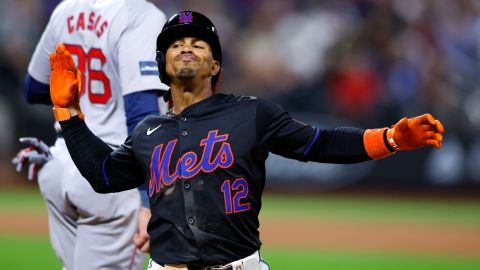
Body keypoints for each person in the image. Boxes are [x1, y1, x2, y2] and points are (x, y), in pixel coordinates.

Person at [48, 11, 444, 270]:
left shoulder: (251, 113)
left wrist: (389, 138)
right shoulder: (147, 131)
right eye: (176, 43)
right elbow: (103, 174)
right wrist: (69, 113)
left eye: (198, 43)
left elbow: (318, 143)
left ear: (215, 65)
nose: (186, 46)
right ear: (163, 65)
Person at [13, 0, 168, 269]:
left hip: (60, 163)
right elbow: (140, 114)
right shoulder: (140, 14)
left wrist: (85, 101)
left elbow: (34, 87)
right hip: (113, 176)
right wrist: (149, 197)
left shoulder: (65, 9)